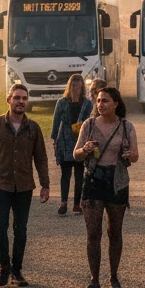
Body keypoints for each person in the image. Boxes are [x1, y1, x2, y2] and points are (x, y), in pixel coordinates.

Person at [0, 83, 50, 288]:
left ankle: (17, 270)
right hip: (1, 185)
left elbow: (41, 159)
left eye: (24, 98)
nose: (21, 102)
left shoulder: (33, 128)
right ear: (8, 100)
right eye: (17, 98)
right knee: (0, 228)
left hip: (25, 186)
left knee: (21, 230)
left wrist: (45, 185)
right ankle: (4, 267)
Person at [73, 86, 140, 288]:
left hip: (117, 181)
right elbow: (76, 154)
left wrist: (129, 154)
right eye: (99, 101)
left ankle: (113, 276)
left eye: (105, 101)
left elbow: (136, 155)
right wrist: (84, 150)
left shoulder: (126, 126)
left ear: (116, 104)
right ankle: (94, 280)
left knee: (115, 232)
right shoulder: (89, 124)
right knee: (93, 233)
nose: (101, 105)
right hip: (93, 180)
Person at [51, 74, 90, 215]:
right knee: (65, 174)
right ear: (69, 86)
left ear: (82, 87)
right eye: (73, 85)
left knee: (80, 175)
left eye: (78, 85)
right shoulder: (61, 103)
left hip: (80, 141)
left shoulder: (87, 103)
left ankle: (76, 204)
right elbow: (56, 122)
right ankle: (63, 202)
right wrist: (54, 138)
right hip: (65, 142)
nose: (75, 88)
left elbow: (90, 122)